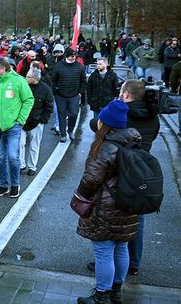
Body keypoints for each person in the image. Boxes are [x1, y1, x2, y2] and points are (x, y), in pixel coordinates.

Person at [75, 100, 139, 304]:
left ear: (107, 123)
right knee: (121, 247)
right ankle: (116, 292)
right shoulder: (133, 140)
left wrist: (80, 196)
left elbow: (91, 179)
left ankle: (101, 295)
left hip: (106, 207)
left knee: (103, 250)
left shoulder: (106, 147)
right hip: (128, 204)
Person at [0, 58, 34, 198]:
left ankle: (15, 185)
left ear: (3, 69)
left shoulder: (18, 81)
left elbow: (29, 100)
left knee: (13, 156)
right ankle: (3, 185)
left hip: (13, 127)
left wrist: (20, 120)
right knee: (1, 158)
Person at [19, 68, 53, 176]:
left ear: (34, 78)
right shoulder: (23, 86)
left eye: (28, 77)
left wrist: (43, 120)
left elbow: (49, 106)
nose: (26, 78)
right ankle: (21, 164)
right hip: (22, 120)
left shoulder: (46, 89)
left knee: (34, 145)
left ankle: (32, 166)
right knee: (19, 144)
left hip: (37, 121)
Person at [52, 49, 86, 142]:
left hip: (74, 95)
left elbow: (83, 81)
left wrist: (80, 92)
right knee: (61, 115)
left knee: (74, 113)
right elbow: (53, 80)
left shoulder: (80, 66)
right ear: (67, 56)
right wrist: (55, 91)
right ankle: (63, 134)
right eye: (72, 56)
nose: (73, 58)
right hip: (60, 95)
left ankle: (70, 130)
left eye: (75, 56)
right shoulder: (58, 66)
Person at [45, 44, 65, 134]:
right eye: (56, 52)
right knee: (55, 107)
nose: (58, 53)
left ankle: (60, 124)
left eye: (60, 52)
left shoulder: (65, 61)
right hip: (52, 86)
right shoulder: (49, 59)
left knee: (62, 107)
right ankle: (57, 124)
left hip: (63, 87)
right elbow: (46, 72)